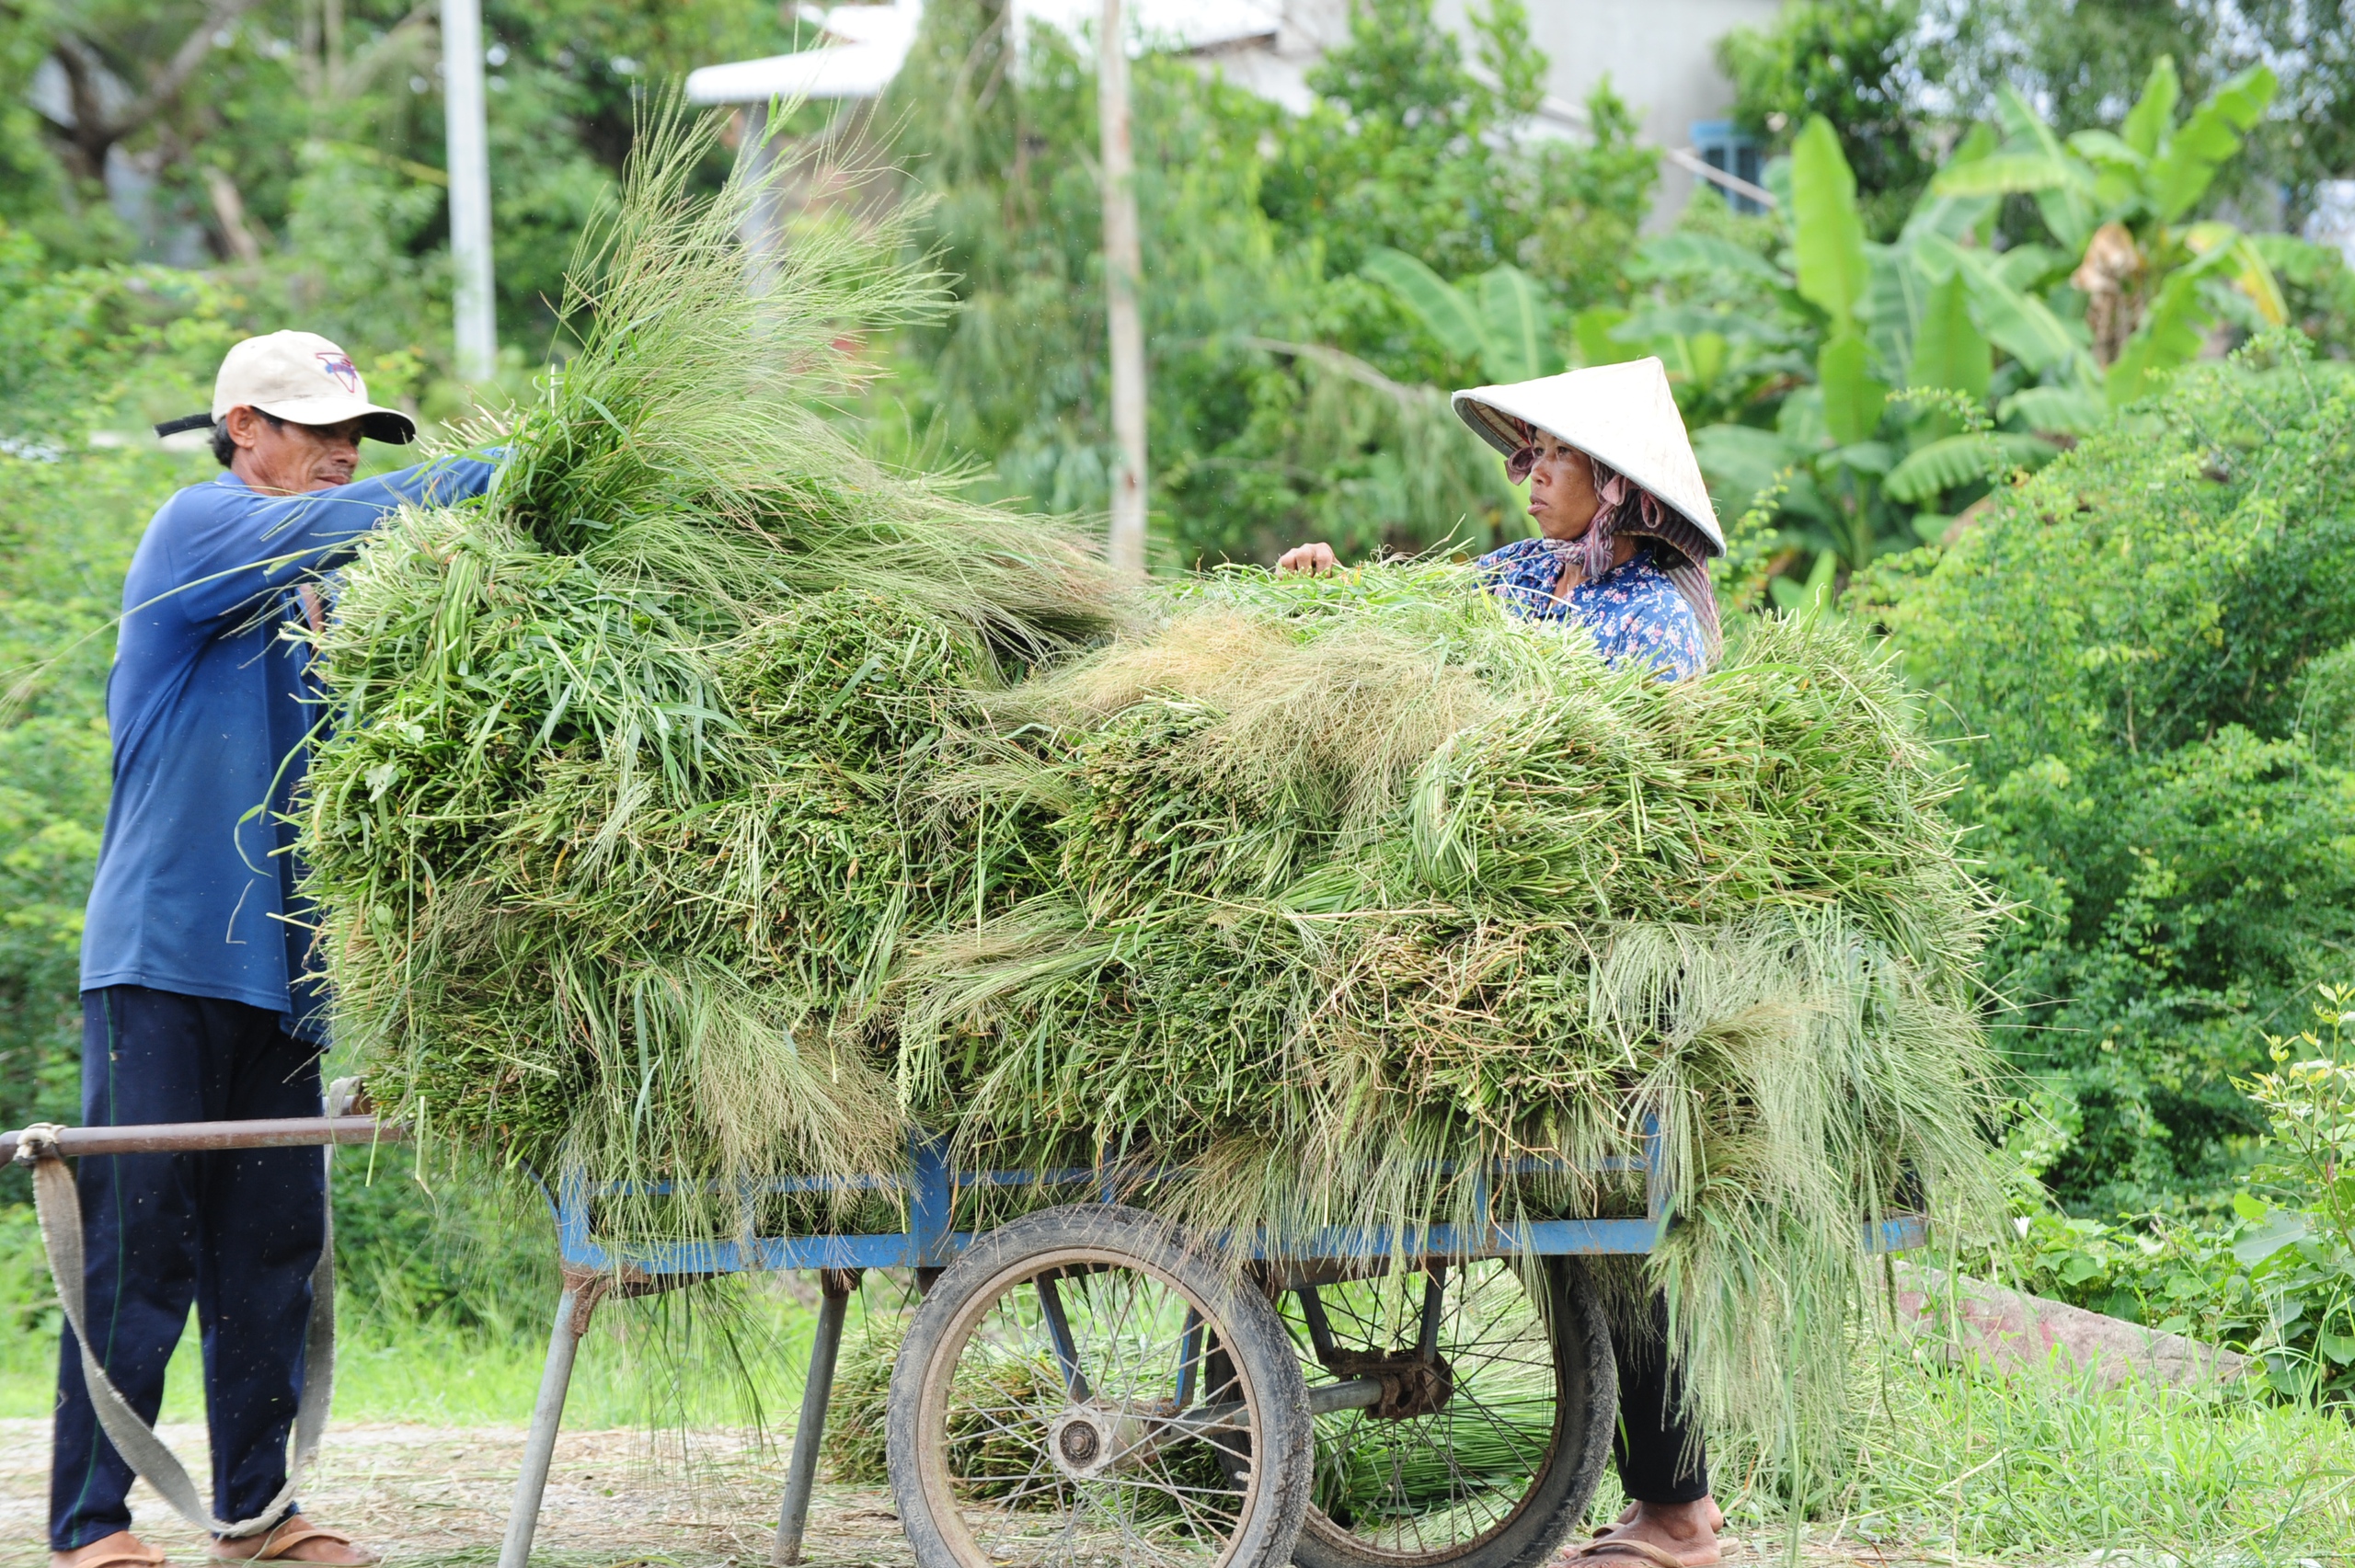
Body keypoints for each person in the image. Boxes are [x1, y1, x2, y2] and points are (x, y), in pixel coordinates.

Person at [52, 333, 499, 1568]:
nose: (344, 453)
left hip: (285, 975)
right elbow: (331, 528)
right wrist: (502, 473)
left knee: (271, 1250)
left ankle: (255, 1510)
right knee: (144, 1246)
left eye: (356, 434)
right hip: (161, 956)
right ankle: (89, 1522)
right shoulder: (199, 530)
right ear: (243, 426)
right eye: (315, 428)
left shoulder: (333, 595)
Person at [1279, 357, 1728, 1568]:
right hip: (1514, 942)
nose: (1529, 480)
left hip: (1611, 957)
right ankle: (1662, 1504)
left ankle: (1680, 1511)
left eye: (1552, 460)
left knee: (1611, 1225)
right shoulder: (1533, 574)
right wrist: (1335, 596)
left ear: (1617, 484)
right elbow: (1420, 616)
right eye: (1523, 458)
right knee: (1587, 1230)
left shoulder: (1656, 616)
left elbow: (1616, 780)